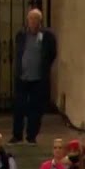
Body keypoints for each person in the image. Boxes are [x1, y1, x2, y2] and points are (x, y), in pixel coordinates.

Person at [11, 8, 57, 146]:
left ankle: (31, 136)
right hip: (22, 78)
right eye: (31, 19)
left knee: (35, 109)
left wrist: (44, 67)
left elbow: (52, 53)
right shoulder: (21, 34)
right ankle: (17, 136)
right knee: (19, 107)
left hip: (38, 79)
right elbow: (19, 52)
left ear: (40, 21)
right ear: (27, 20)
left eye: (35, 19)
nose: (33, 22)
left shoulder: (47, 36)